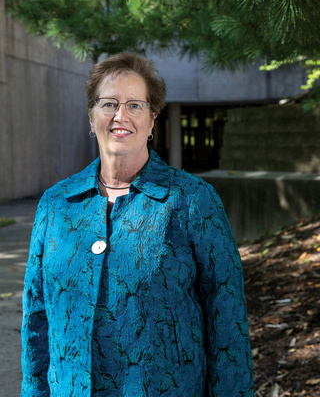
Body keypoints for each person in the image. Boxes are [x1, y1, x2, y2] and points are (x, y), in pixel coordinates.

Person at [21, 52, 254, 397]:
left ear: (152, 120)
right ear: (91, 117)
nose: (120, 116)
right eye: (109, 104)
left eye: (135, 106)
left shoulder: (192, 200)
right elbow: (36, 322)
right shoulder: (55, 204)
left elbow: (228, 326)